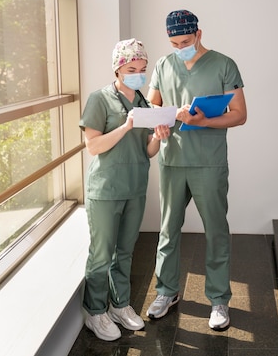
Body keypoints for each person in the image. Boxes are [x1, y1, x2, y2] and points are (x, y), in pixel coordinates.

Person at [145, 10, 247, 330]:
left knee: (216, 231)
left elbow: (240, 114)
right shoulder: (164, 65)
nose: (180, 48)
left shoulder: (224, 64)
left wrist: (204, 121)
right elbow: (151, 107)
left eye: (185, 41)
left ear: (198, 34)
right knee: (168, 231)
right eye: (174, 43)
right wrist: (159, 124)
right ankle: (166, 292)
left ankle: (218, 300)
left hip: (209, 162)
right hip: (172, 160)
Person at [79, 38, 170, 341]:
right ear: (118, 69)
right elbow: (93, 146)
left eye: (142, 69)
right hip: (105, 189)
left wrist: (159, 135)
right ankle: (95, 312)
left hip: (134, 187)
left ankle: (120, 305)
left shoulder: (144, 103)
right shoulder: (99, 100)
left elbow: (148, 152)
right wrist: (125, 126)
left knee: (125, 253)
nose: (138, 74)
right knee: (101, 255)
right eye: (132, 68)